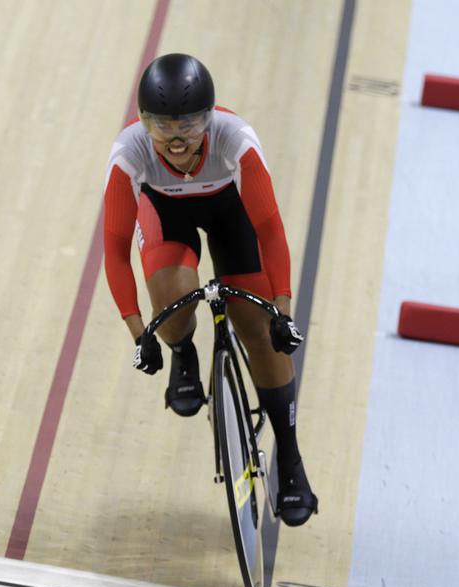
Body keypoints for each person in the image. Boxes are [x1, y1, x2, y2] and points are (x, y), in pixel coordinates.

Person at [101, 53, 317, 526]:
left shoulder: (235, 141)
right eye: (162, 126)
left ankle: (291, 461)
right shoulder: (129, 154)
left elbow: (271, 231)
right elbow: (116, 253)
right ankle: (184, 351)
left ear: (210, 117)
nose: (176, 139)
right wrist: (141, 334)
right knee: (174, 309)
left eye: (190, 124)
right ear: (143, 122)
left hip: (231, 216)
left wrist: (281, 309)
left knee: (260, 333)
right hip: (166, 214)